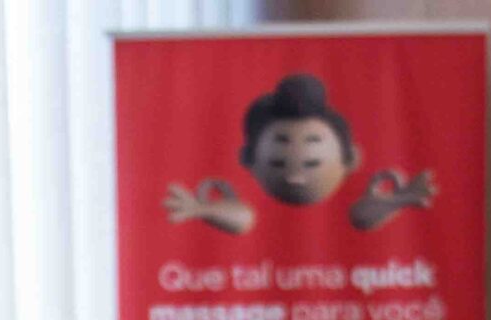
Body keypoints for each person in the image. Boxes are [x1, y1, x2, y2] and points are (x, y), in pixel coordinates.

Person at [163, 72, 436, 236]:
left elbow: (361, 215)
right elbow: (243, 218)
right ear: (247, 158)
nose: (295, 177)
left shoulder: (356, 204)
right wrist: (202, 208)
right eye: (278, 161)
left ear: (351, 159)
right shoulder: (244, 203)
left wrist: (397, 201)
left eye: (312, 162)